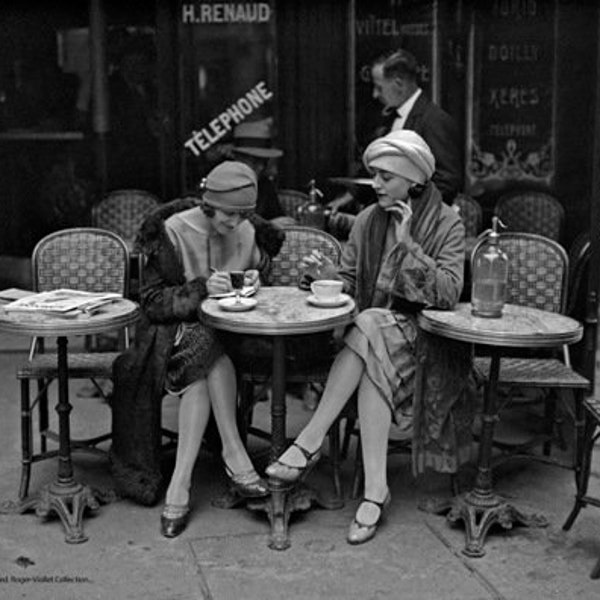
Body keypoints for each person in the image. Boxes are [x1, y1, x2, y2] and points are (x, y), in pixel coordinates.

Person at [266, 129, 473, 545]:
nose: (375, 184)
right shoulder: (366, 220)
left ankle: (310, 440)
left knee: (369, 326)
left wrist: (408, 244)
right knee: (371, 335)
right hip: (375, 338)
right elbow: (347, 279)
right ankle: (375, 489)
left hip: (428, 340)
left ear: (413, 180)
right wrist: (326, 276)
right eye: (374, 174)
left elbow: (449, 293)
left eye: (385, 177)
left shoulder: (448, 223)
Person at [110, 161, 285, 538]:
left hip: (234, 335)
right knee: (207, 350)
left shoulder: (247, 230)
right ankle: (234, 454)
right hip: (168, 335)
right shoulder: (172, 231)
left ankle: (181, 485)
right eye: (228, 214)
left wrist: (255, 278)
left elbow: (256, 286)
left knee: (208, 359)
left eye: (243, 215)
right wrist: (202, 289)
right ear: (208, 204)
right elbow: (153, 303)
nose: (235, 223)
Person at [328, 48, 463, 236]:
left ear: (398, 83)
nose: (375, 95)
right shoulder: (389, 118)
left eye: (379, 87)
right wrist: (350, 196)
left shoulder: (434, 120)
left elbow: (448, 181)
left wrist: (408, 210)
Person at [228, 118, 296, 227]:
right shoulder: (221, 185)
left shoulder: (264, 185)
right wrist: (267, 226)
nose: (260, 167)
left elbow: (276, 216)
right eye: (254, 161)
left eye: (264, 162)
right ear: (238, 158)